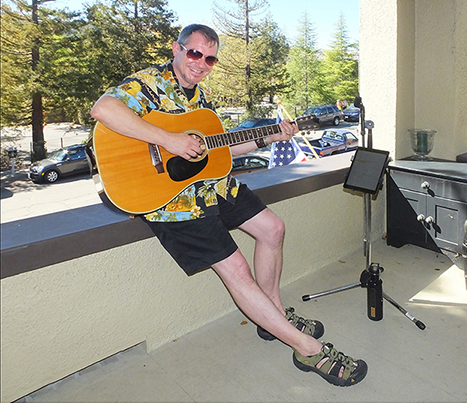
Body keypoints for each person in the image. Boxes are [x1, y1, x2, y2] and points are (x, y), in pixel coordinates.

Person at [90, 24, 367, 387]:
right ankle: (308, 349)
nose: (201, 63)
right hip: (172, 201)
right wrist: (168, 139)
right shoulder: (147, 84)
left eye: (210, 58)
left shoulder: (202, 101)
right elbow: (103, 109)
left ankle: (275, 317)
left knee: (273, 229)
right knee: (236, 269)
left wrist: (267, 137)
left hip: (211, 185)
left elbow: (220, 148)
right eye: (193, 53)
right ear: (177, 49)